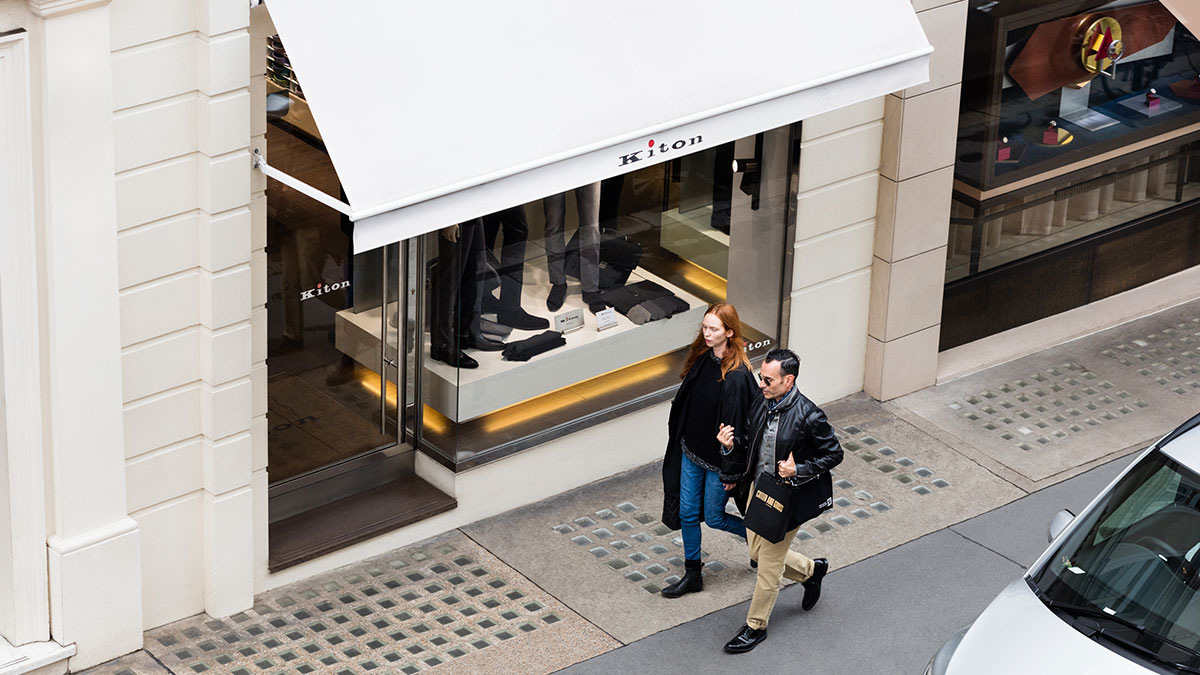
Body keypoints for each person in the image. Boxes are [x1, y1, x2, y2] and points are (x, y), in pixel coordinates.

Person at [716, 348, 843, 654]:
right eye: (761, 377)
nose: (761, 384)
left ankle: (755, 627)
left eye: (768, 380)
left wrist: (798, 469)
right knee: (758, 554)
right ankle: (812, 571)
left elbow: (834, 454)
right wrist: (729, 446)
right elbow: (751, 443)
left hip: (787, 499)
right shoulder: (762, 403)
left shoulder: (810, 416)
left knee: (767, 568)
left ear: (789, 380)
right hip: (755, 493)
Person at [660, 303, 759, 598]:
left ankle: (761, 544)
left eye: (713, 329)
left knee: (714, 517)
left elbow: (743, 429)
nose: (706, 333)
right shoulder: (704, 358)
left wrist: (732, 470)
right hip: (691, 450)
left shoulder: (739, 376)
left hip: (719, 462)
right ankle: (693, 574)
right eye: (705, 327)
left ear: (729, 332)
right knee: (689, 513)